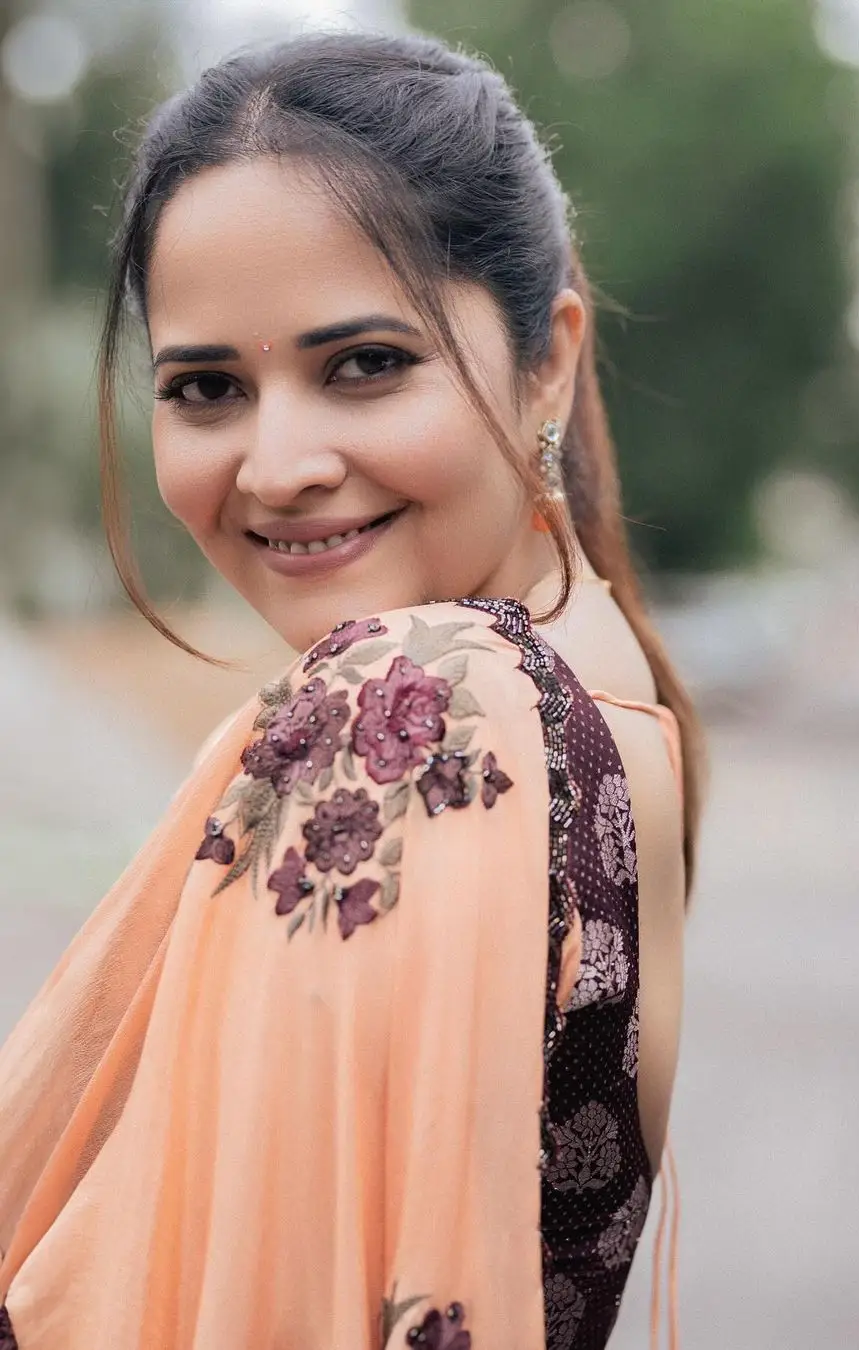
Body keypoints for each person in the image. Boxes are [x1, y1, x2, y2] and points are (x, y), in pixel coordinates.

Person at [0, 31, 704, 1350]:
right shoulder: (614, 708)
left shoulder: (421, 702)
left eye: (364, 364)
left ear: (545, 357)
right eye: (204, 387)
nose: (276, 464)